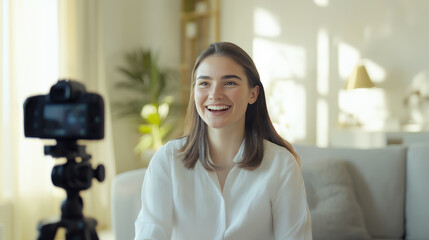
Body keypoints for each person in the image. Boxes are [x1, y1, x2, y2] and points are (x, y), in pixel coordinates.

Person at [135, 42, 312, 240]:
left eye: (229, 83)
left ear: (253, 94)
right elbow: (150, 233)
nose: (215, 94)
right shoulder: (167, 160)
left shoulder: (281, 164)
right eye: (204, 83)